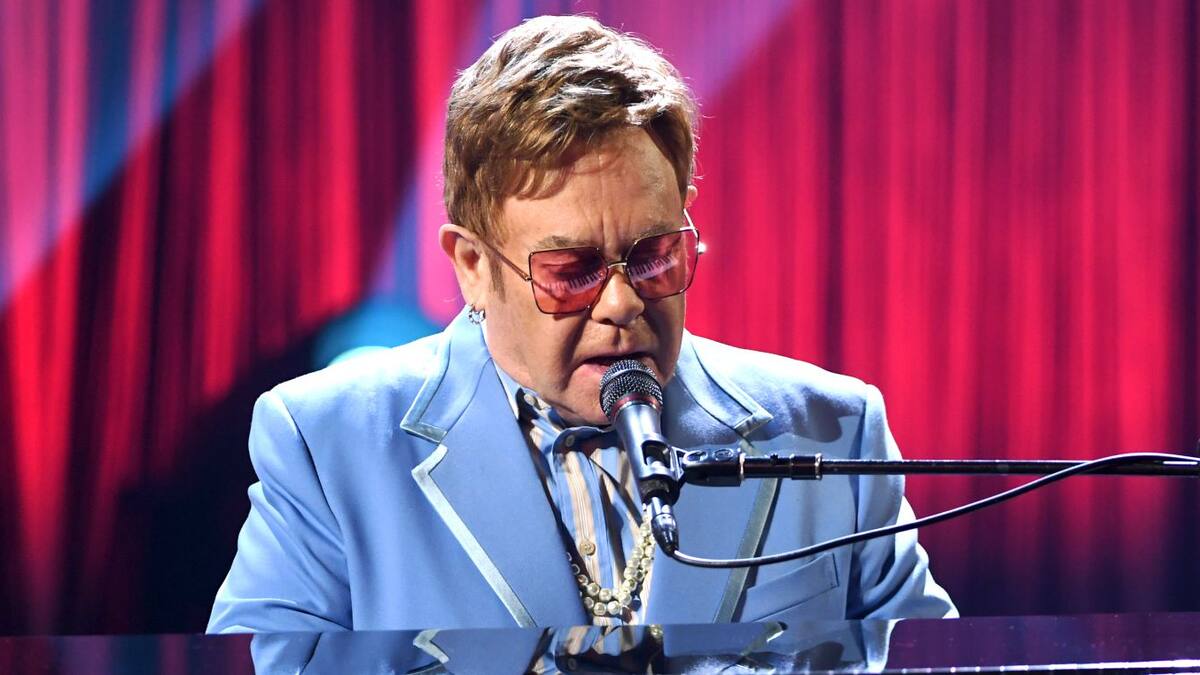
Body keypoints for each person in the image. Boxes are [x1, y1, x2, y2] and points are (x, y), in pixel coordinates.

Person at [208, 15, 955, 634]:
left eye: (654, 256)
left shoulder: (833, 430)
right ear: (472, 265)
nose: (623, 303)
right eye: (573, 271)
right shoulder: (327, 443)